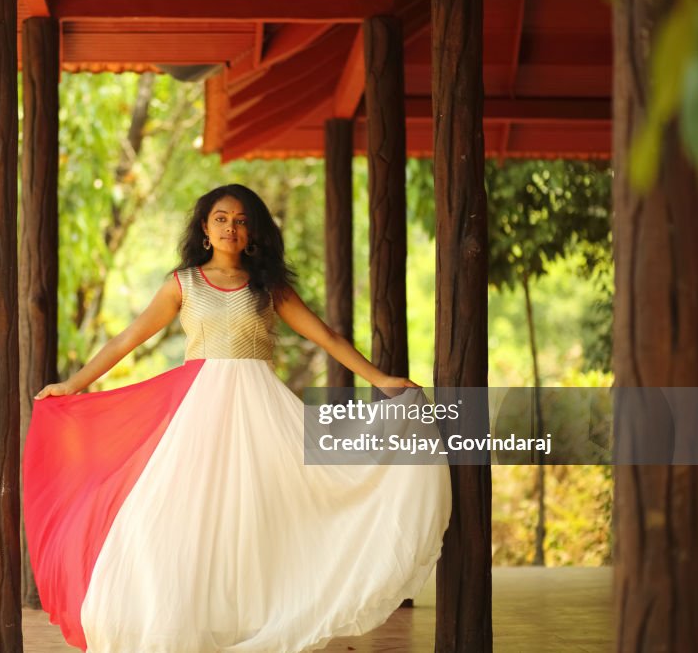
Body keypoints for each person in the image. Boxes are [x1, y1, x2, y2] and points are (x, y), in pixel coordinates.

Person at [23, 184, 452, 653]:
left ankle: (258, 620)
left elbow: (327, 337)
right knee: (178, 515)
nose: (231, 227)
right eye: (222, 218)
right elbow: (127, 338)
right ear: (205, 229)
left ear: (253, 233)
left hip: (260, 412)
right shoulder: (183, 284)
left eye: (242, 220)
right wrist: (74, 384)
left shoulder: (268, 288)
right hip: (195, 415)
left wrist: (381, 378)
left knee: (263, 514)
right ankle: (172, 620)